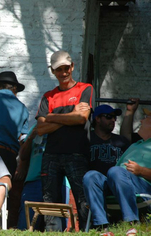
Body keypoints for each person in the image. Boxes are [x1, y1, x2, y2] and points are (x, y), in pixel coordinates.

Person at [36, 50, 93, 231]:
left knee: (82, 198)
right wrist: (70, 115)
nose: (63, 73)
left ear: (72, 66)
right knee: (50, 199)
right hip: (51, 154)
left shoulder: (85, 89)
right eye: (58, 69)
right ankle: (53, 233)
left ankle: (85, 232)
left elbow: (81, 119)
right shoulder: (48, 96)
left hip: (77, 153)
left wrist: (52, 116)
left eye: (66, 68)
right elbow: (40, 129)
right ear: (53, 71)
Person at [82, 108, 151, 231]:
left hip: (142, 186)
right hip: (118, 183)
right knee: (91, 176)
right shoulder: (135, 145)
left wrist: (141, 171)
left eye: (146, 118)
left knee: (115, 171)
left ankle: (131, 223)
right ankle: (101, 226)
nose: (141, 120)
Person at [16, 125, 70, 231]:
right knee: (26, 226)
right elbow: (23, 155)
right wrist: (31, 136)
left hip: (59, 181)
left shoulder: (65, 128)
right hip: (34, 180)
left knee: (57, 228)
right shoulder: (36, 127)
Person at [88, 104, 131, 175]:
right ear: (98, 119)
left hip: (116, 181)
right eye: (109, 117)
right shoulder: (86, 139)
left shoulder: (122, 141)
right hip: (93, 181)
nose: (113, 120)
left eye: (114, 117)